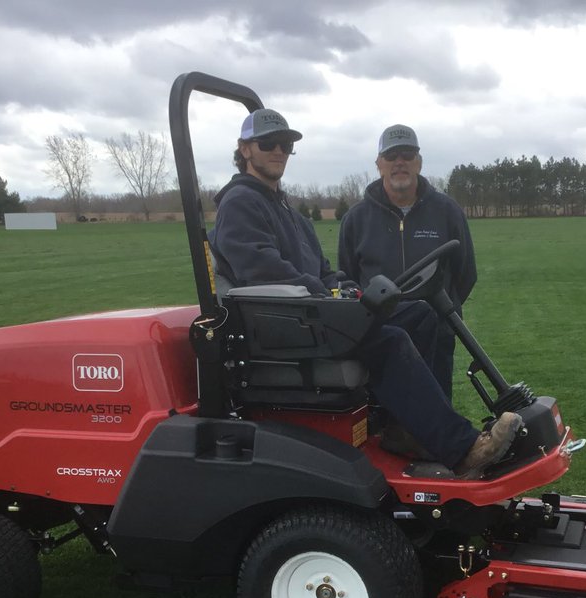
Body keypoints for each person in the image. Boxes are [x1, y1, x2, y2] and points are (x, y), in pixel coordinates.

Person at [208, 108, 519, 479]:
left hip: (311, 314)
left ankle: (409, 431)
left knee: (419, 313)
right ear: (245, 150)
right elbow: (259, 269)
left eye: (286, 144)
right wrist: (325, 294)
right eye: (268, 144)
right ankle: (462, 448)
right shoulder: (242, 202)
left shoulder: (286, 209)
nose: (279, 150)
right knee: (390, 341)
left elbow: (323, 269)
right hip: (286, 327)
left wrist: (346, 286)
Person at [338, 124, 477, 400]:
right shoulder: (356, 218)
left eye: (407, 154)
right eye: (391, 156)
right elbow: (348, 275)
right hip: (381, 337)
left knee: (436, 417)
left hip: (437, 336)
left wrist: (441, 312)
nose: (399, 162)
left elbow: (465, 273)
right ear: (379, 164)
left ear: (419, 162)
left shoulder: (447, 211)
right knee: (381, 421)